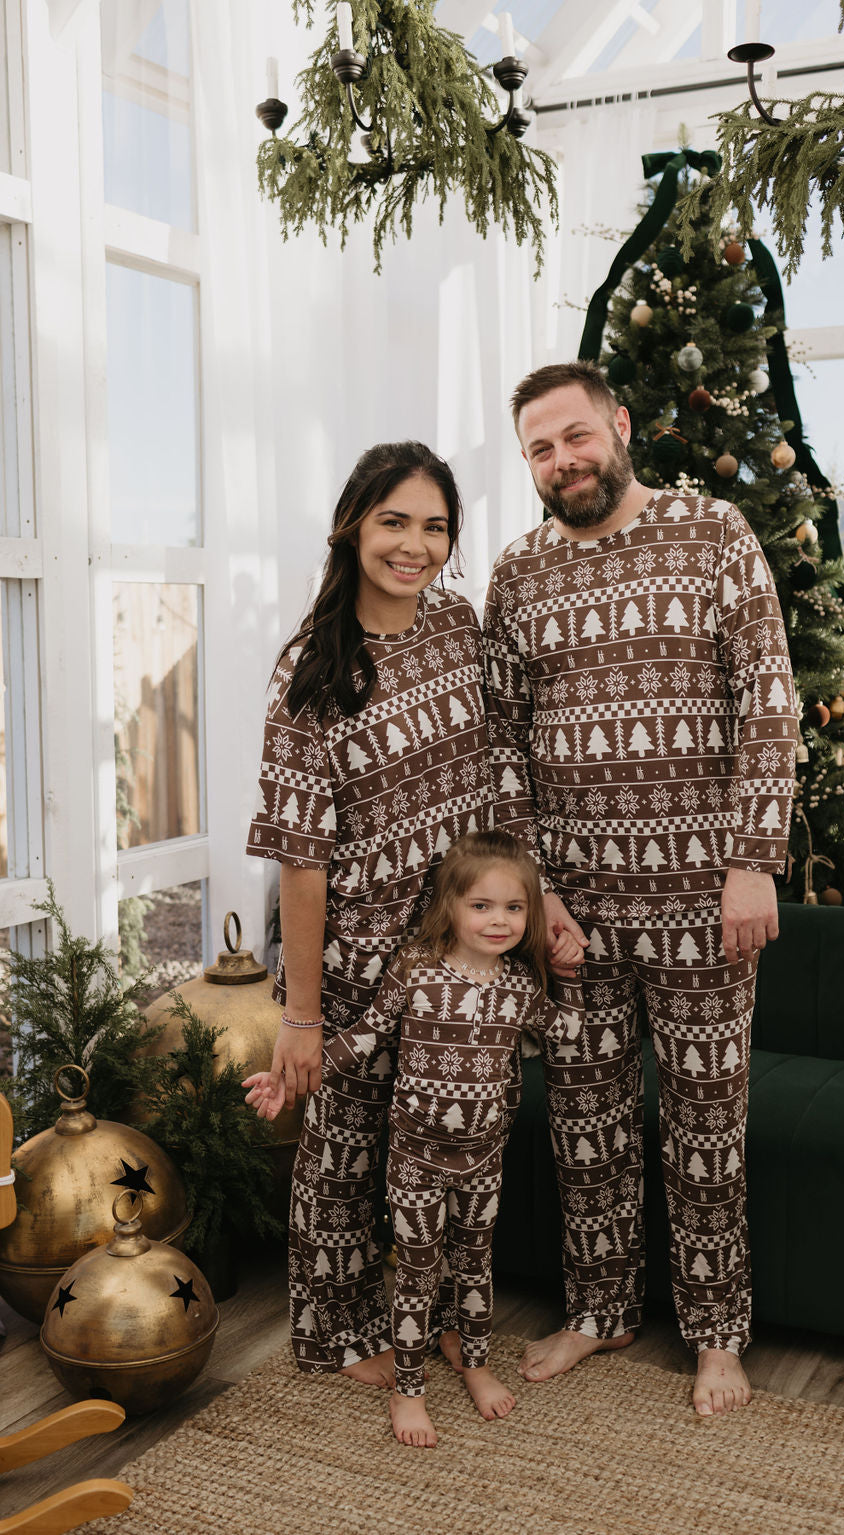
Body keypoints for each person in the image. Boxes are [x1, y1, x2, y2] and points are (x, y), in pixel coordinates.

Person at [483, 360, 799, 1415]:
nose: (562, 459)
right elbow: (502, 746)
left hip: (706, 900)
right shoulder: (516, 574)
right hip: (573, 905)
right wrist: (534, 893)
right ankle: (601, 1305)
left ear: (618, 424)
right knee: (585, 1122)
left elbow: (768, 700)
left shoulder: (715, 533)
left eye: (575, 435)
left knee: (706, 1124)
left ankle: (716, 1333)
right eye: (540, 447)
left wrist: (752, 858)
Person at [243, 441, 504, 1387]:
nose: (416, 545)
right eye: (396, 521)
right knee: (344, 1156)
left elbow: (486, 775)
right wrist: (303, 1014)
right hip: (352, 954)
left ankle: (428, 1315)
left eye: (436, 526)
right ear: (354, 524)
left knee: (436, 1148)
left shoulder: (458, 627)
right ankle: (337, 1332)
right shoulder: (308, 673)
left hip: (453, 951)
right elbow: (300, 863)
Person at [246, 830, 581, 1447]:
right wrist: (286, 1081)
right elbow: (364, 1038)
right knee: (418, 1272)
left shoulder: (519, 986)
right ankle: (410, 1389)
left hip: (482, 1161)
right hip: (416, 1160)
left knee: (477, 1266)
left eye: (514, 908)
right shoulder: (415, 968)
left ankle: (477, 1365)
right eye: (481, 905)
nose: (499, 921)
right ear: (450, 904)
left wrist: (570, 973)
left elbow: (568, 1033)